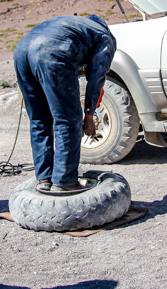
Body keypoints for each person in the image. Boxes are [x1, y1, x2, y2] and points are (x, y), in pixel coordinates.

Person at [13, 15, 116, 191]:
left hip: (21, 50)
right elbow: (96, 78)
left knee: (39, 120)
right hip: (51, 51)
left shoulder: (77, 25)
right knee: (68, 120)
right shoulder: (105, 37)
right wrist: (89, 116)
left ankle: (44, 178)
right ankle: (65, 181)